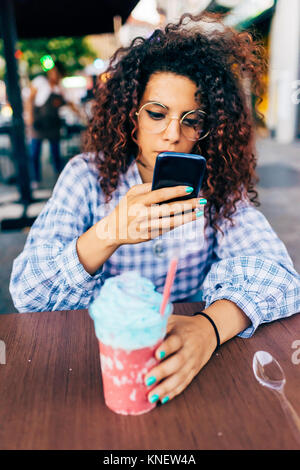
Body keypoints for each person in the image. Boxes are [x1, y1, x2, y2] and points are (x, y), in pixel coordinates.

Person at [10, 13, 300, 406]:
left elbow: (280, 277)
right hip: (98, 362)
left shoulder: (217, 186)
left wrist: (209, 328)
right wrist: (108, 233)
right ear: (131, 115)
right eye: (157, 113)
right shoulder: (86, 177)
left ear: (207, 126)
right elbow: (27, 293)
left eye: (191, 120)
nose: (172, 133)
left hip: (194, 360)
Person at [25, 61, 78, 189]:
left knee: (55, 153)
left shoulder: (60, 89)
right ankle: (35, 179)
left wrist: (80, 114)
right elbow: (29, 99)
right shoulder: (40, 82)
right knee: (34, 153)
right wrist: (29, 117)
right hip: (39, 124)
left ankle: (59, 179)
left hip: (53, 125)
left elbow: (69, 103)